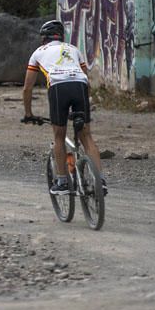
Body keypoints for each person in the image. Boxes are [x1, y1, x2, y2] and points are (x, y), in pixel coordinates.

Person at [22, 20, 106, 195]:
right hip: (80, 86)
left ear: (44, 38)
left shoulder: (38, 53)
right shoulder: (73, 49)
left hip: (58, 88)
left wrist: (28, 113)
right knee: (86, 136)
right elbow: (86, 79)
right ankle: (100, 180)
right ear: (61, 36)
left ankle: (62, 182)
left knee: (59, 136)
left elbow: (27, 87)